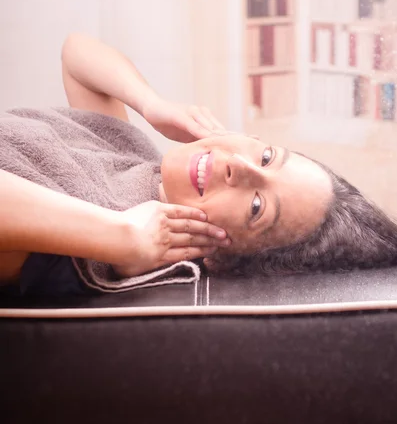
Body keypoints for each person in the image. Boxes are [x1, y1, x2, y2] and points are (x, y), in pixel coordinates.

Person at [1, 34, 397, 294]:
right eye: (266, 156)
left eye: (257, 206)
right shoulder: (136, 160)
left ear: (219, 256)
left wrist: (122, 238)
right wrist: (150, 104)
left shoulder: (93, 251)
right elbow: (77, 54)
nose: (240, 168)